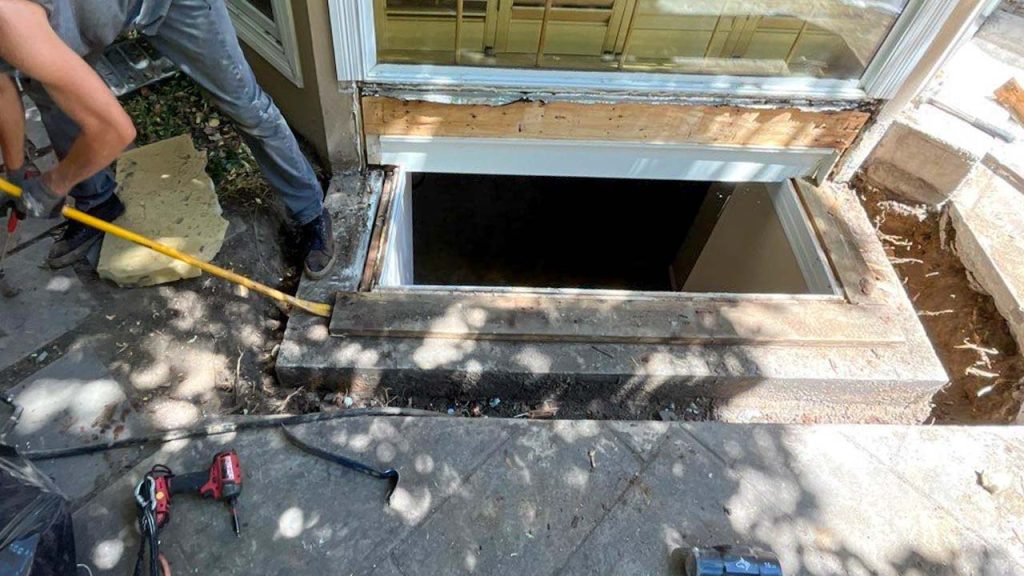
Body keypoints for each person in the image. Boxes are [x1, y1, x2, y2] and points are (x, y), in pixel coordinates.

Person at [0, 0, 336, 278]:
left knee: (245, 105)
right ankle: (97, 202)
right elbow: (2, 89)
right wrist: (15, 174)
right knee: (48, 89)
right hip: (80, 15)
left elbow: (115, 130)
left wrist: (51, 186)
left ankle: (310, 211)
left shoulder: (9, 19)